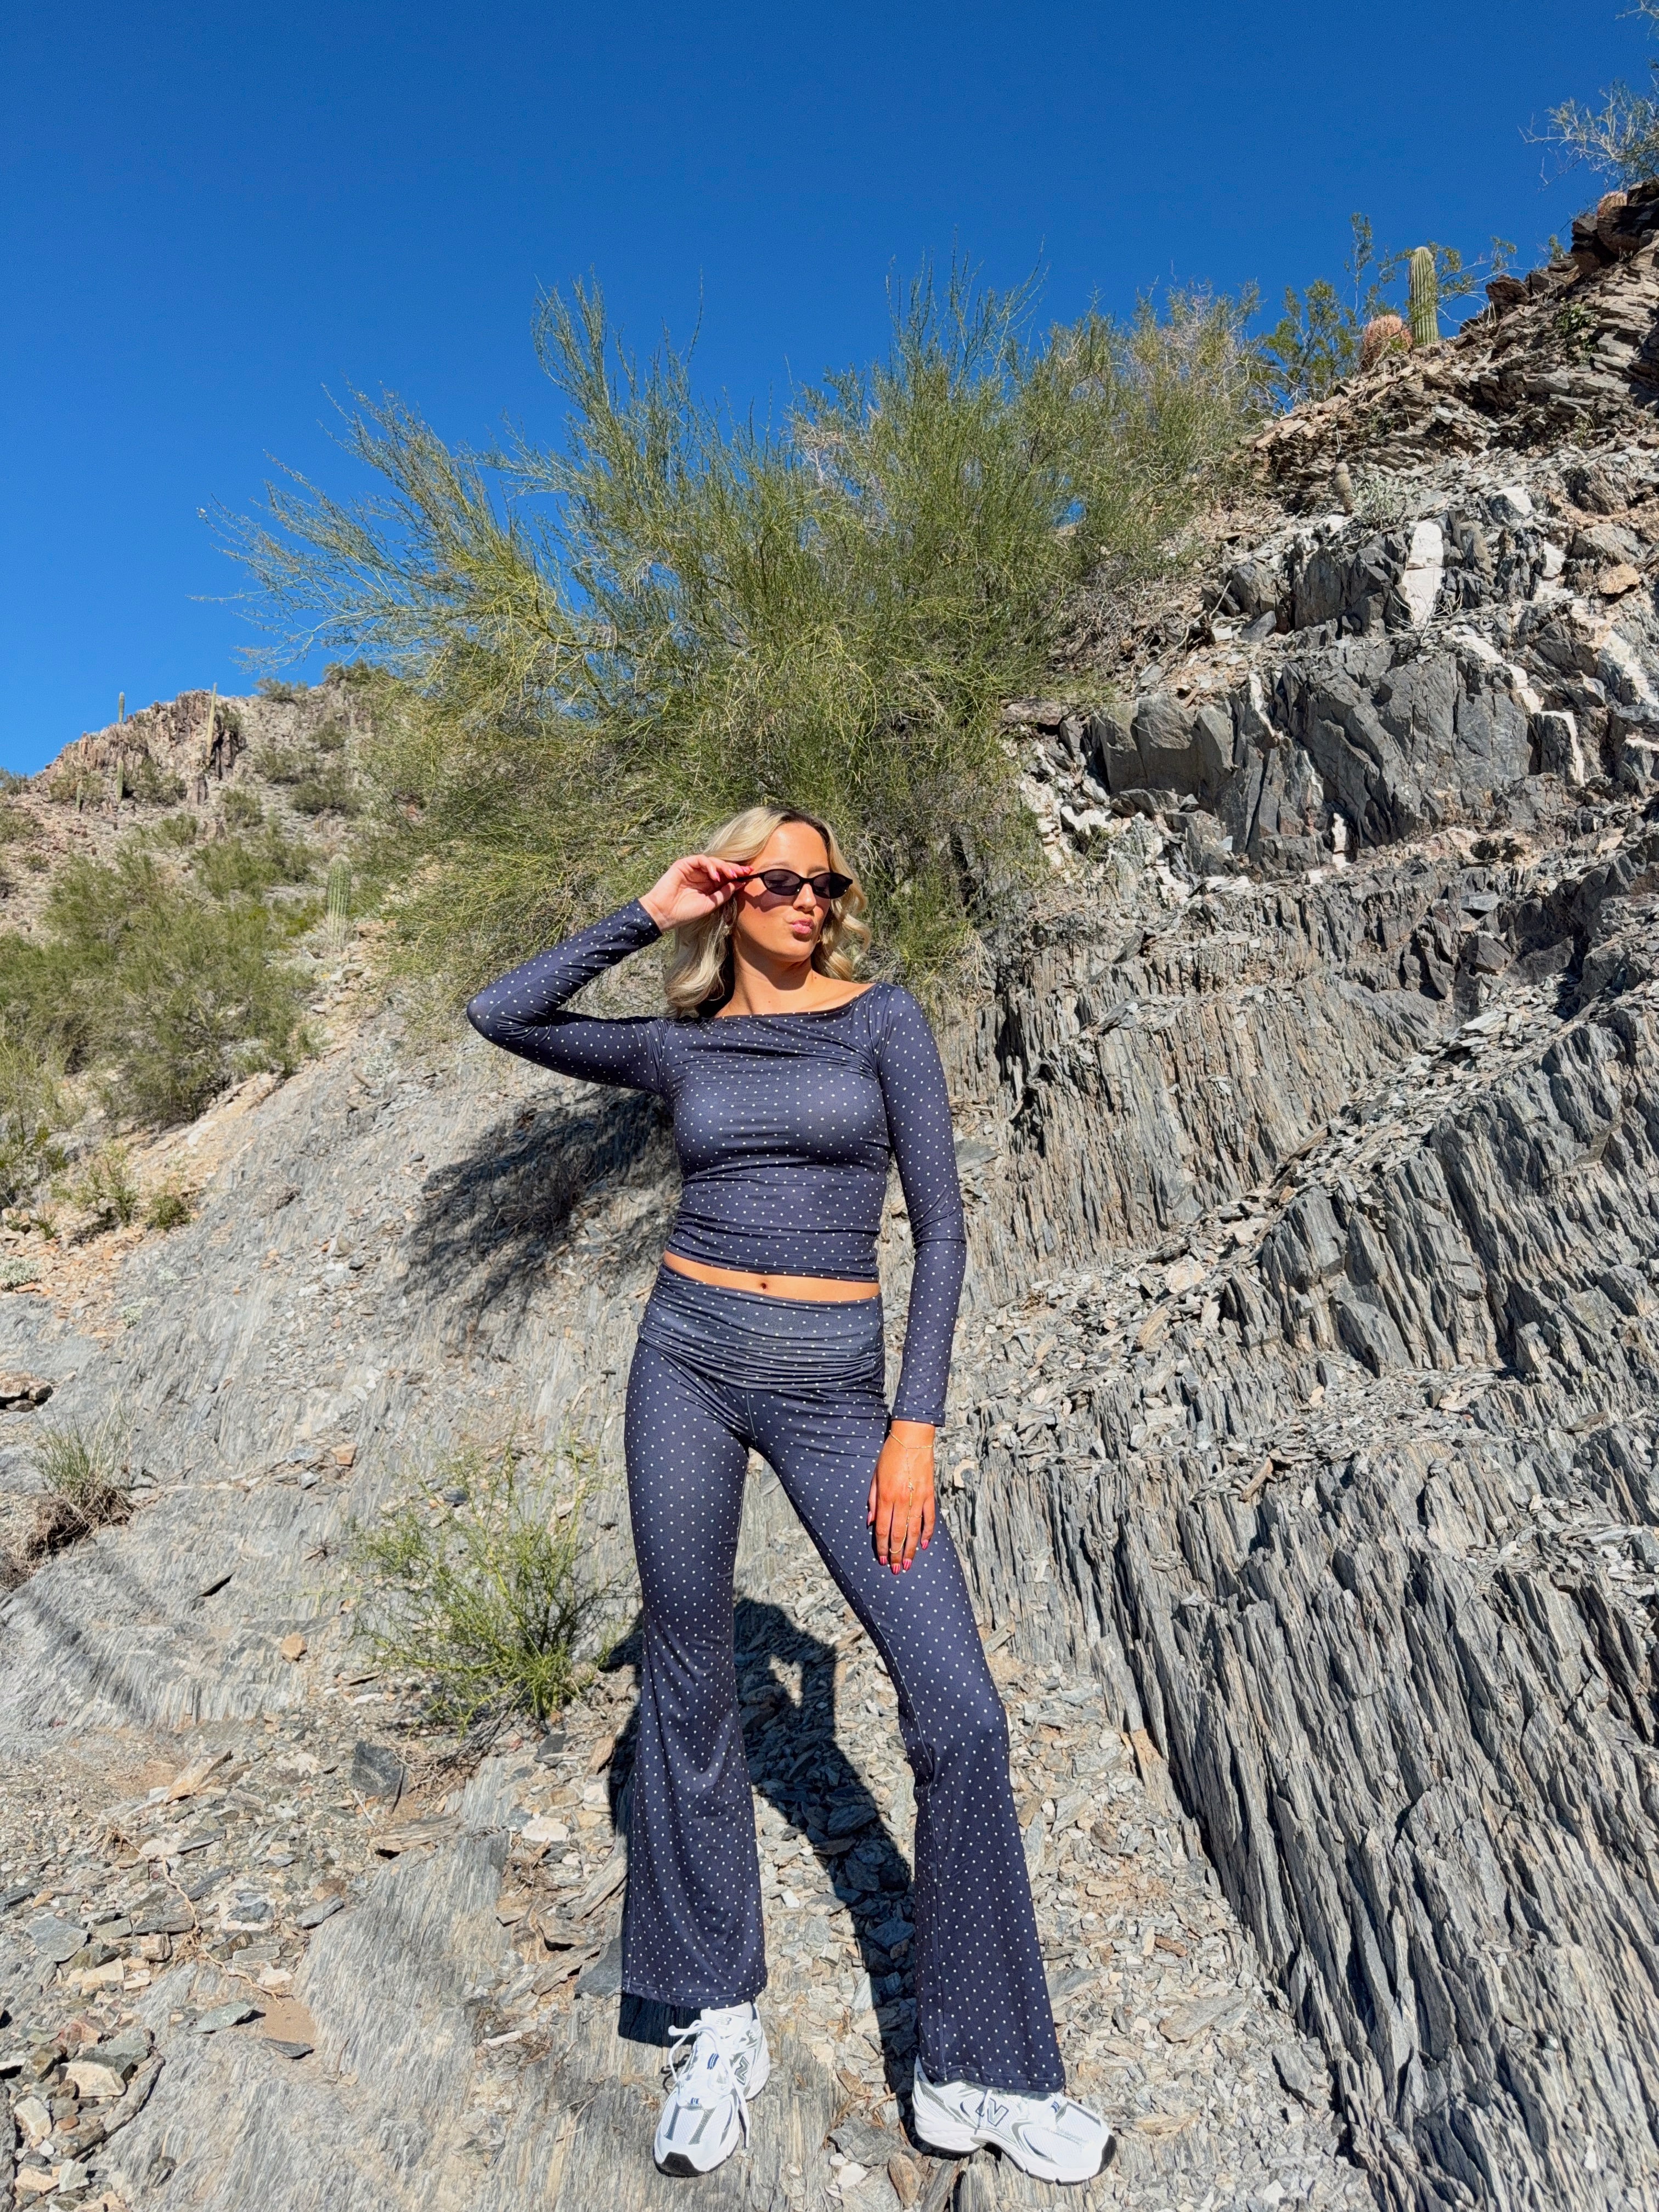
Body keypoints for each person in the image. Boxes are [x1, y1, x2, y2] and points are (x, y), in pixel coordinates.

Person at [466, 805, 1111, 2186]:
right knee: (690, 1683)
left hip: (837, 1393)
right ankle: (718, 2019)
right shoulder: (679, 1043)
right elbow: (501, 1012)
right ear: (733, 891)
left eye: (826, 881)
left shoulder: (882, 1022)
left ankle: (977, 2071)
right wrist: (648, 913)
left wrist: (915, 1425)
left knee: (960, 1712)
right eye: (779, 879)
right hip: (687, 1364)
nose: (809, 898)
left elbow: (943, 1226)